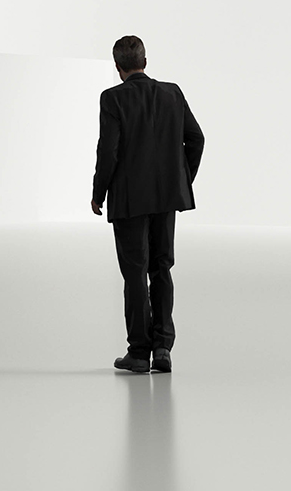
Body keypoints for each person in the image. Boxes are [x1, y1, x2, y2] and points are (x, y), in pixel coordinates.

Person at [92, 35, 204, 374]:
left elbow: (108, 151)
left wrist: (99, 193)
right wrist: (181, 181)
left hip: (129, 199)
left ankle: (139, 352)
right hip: (166, 197)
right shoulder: (172, 93)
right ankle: (163, 347)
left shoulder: (113, 98)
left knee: (134, 273)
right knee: (161, 268)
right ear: (145, 60)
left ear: (117, 66)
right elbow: (196, 138)